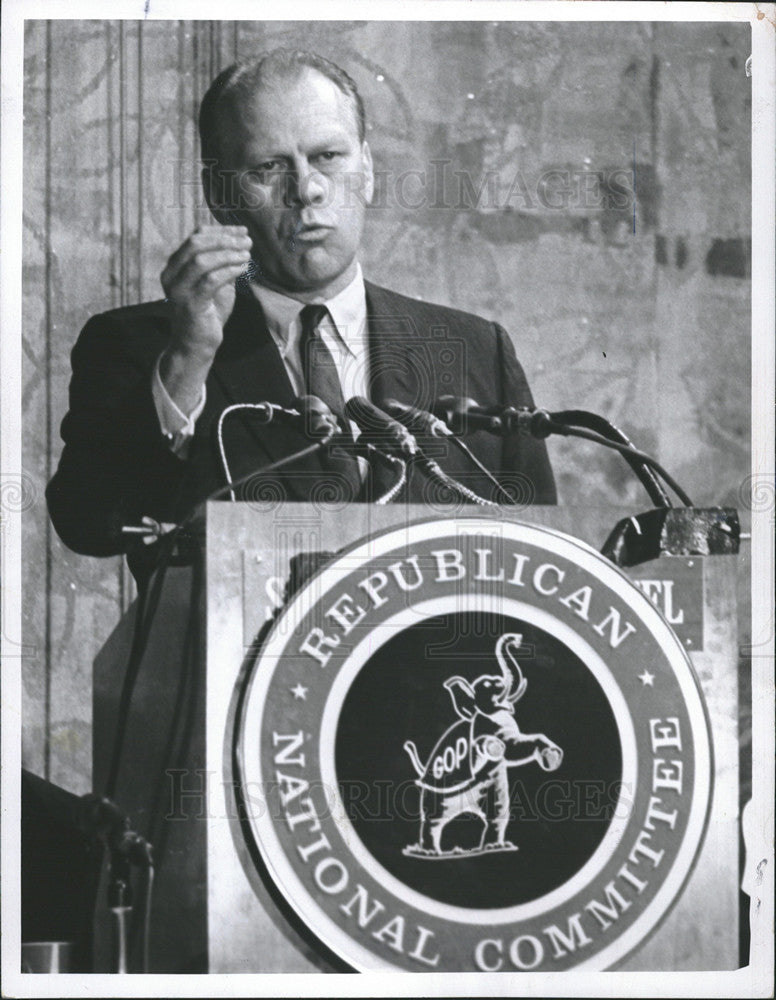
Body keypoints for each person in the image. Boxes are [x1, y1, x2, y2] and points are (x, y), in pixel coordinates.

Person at [46, 49, 556, 582]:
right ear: (219, 195)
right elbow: (90, 524)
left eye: (329, 157)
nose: (306, 189)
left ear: (370, 171)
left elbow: (547, 563)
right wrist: (188, 358)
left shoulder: (477, 350)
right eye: (268, 167)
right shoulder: (140, 346)